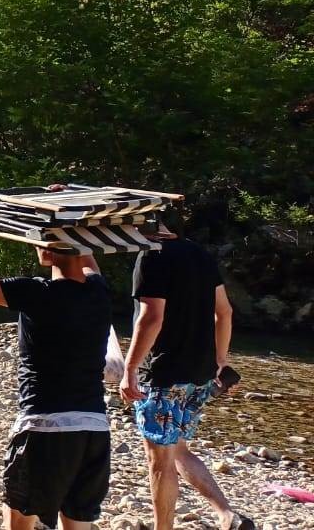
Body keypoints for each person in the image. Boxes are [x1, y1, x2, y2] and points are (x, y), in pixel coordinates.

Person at [0, 193, 112, 530]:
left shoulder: (37, 293)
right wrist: (68, 203)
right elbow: (85, 254)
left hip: (46, 427)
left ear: (46, 248)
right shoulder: (99, 292)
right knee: (77, 523)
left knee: (20, 519)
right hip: (94, 428)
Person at [121, 226, 253, 530]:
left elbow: (152, 317)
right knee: (177, 449)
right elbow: (225, 312)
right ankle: (228, 517)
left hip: (165, 375)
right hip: (200, 374)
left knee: (160, 460)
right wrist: (220, 361)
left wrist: (130, 369)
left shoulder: (151, 255)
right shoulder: (198, 253)